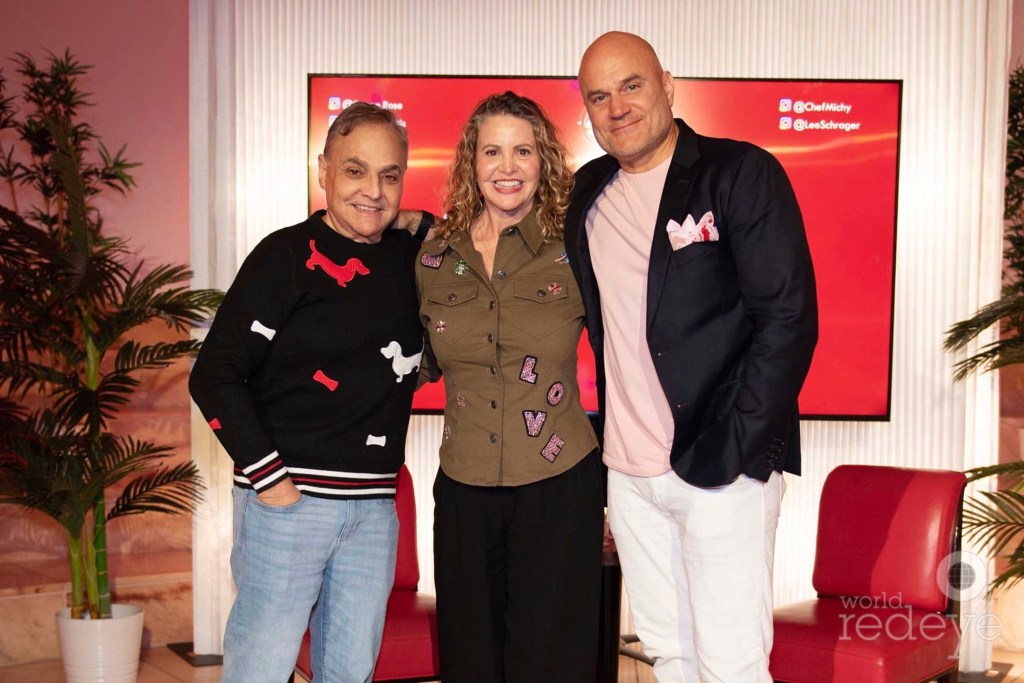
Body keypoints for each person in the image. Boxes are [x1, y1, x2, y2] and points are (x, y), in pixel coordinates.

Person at [565, 32, 819, 682]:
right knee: (671, 657)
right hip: (630, 476)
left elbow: (788, 319)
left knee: (730, 663)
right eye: (598, 95)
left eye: (632, 85)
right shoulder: (585, 193)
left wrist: (737, 449)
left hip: (720, 470)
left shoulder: (738, 172)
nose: (617, 106)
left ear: (668, 85)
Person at [189, 102, 432, 682]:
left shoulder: (412, 257)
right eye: (355, 171)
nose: (373, 190)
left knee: (350, 672)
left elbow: (460, 234)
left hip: (374, 511)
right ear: (323, 170)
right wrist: (272, 484)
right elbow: (214, 375)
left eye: (389, 174)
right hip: (287, 504)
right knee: (261, 670)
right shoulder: (284, 256)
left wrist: (410, 219)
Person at [416, 91, 604, 682]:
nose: (508, 166)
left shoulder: (576, 247)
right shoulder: (432, 257)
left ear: (543, 160)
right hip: (464, 488)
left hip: (559, 484)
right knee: (470, 660)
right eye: (492, 151)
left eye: (523, 151)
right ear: (471, 162)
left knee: (552, 662)